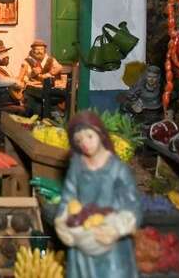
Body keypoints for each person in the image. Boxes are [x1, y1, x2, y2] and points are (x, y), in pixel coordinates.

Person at [54, 111, 141, 278]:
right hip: (82, 242)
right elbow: (68, 197)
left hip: (111, 244)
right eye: (79, 140)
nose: (85, 144)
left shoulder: (117, 169)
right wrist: (62, 221)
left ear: (100, 134)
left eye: (89, 136)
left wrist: (116, 229)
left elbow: (133, 205)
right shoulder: (77, 167)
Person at [19, 39, 66, 116]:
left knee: (53, 101)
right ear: (32, 50)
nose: (39, 51)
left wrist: (49, 73)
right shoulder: (27, 61)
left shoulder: (50, 60)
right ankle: (38, 115)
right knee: (35, 104)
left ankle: (53, 115)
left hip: (48, 87)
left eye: (41, 49)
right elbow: (23, 77)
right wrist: (32, 74)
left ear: (44, 50)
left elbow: (59, 67)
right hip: (33, 89)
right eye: (37, 49)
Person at [0, 40, 24, 119]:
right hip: (0, 106)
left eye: (6, 53)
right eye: (3, 54)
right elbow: (0, 81)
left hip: (11, 104)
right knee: (25, 111)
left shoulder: (5, 69)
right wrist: (15, 81)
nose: (7, 56)